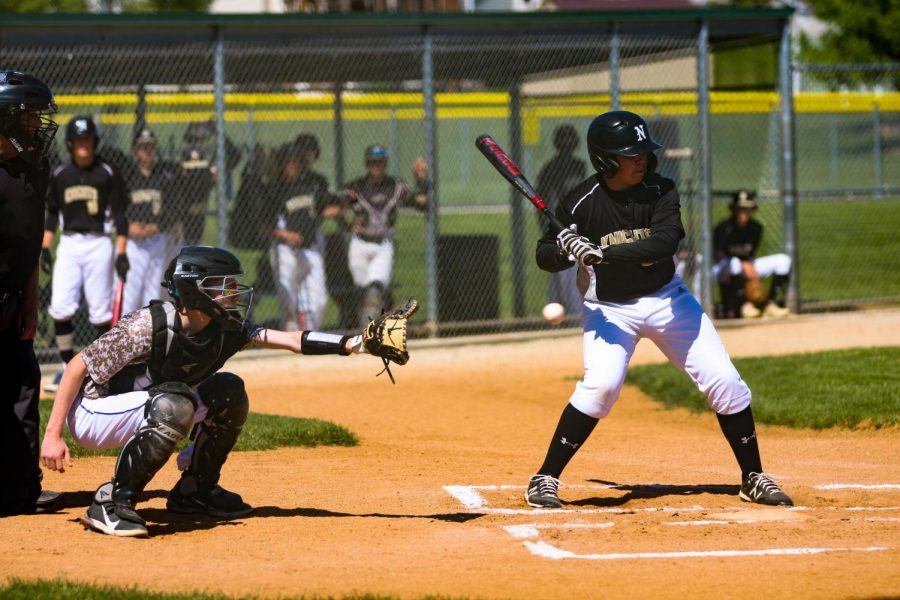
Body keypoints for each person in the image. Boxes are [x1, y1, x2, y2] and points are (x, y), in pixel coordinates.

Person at [39, 245, 415, 537]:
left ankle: (194, 490)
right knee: (174, 404)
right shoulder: (149, 325)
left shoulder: (226, 328)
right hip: (92, 411)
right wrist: (53, 435)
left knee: (229, 392)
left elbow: (290, 339)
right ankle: (111, 503)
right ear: (197, 290)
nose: (234, 294)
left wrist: (354, 344)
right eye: (224, 287)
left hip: (153, 404)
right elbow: (77, 367)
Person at [524, 110, 793, 510]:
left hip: (668, 299)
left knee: (726, 381)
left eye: (644, 152)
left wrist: (602, 252)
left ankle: (753, 476)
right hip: (609, 310)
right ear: (605, 160)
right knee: (601, 388)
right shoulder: (580, 200)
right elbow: (544, 254)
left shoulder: (661, 189)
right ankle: (544, 478)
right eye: (631, 155)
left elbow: (664, 243)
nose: (642, 160)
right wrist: (566, 248)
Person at [0, 69, 62, 515]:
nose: (37, 126)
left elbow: (29, 243)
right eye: (28, 118)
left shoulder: (32, 170)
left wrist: (32, 304)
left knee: (23, 384)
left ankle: (21, 489)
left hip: (12, 301)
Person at [41, 115, 129, 392]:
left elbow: (120, 215)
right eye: (79, 140)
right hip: (69, 244)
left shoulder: (107, 172)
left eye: (88, 139)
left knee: (101, 311)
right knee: (60, 306)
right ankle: (69, 367)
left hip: (99, 243)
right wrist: (45, 247)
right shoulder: (60, 174)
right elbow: (52, 214)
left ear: (95, 142)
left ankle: (102, 369)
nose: (84, 145)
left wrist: (122, 252)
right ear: (70, 144)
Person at [339, 145, 428, 328]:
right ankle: (365, 326)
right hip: (359, 245)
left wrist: (421, 180)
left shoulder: (395, 186)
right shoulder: (356, 187)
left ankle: (369, 334)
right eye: (372, 162)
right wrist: (347, 226)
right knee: (362, 291)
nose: (376, 166)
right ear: (366, 163)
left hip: (383, 244)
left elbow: (421, 203)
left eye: (379, 162)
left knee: (374, 291)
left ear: (386, 163)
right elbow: (333, 208)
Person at [268, 135, 340, 331]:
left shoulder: (313, 183)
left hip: (310, 247)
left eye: (297, 161)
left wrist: (343, 209)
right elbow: (264, 225)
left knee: (319, 301)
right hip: (284, 249)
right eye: (290, 161)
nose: (294, 165)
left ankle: (309, 335)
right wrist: (286, 235)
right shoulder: (275, 189)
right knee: (288, 297)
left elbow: (321, 209)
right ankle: (293, 337)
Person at [121, 128, 179, 316]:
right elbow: (117, 206)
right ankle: (127, 339)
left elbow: (174, 209)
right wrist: (128, 226)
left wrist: (158, 227)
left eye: (150, 146)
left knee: (153, 293)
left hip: (157, 239)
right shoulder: (128, 177)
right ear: (136, 150)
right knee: (130, 293)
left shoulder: (165, 177)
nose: (147, 150)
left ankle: (149, 338)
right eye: (142, 147)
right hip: (133, 241)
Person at [713, 190, 791, 319]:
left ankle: (769, 304)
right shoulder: (723, 228)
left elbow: (751, 253)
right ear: (734, 210)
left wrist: (749, 268)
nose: (744, 212)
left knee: (784, 260)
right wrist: (744, 265)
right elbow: (719, 257)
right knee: (735, 264)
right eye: (741, 209)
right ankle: (743, 305)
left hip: (747, 265)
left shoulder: (756, 228)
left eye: (747, 209)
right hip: (721, 268)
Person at [536, 124, 587, 316]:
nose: (567, 143)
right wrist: (548, 229)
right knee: (558, 273)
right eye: (563, 139)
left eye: (570, 139)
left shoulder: (579, 166)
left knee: (575, 272)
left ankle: (575, 317)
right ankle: (563, 315)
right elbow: (543, 203)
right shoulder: (549, 168)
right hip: (557, 227)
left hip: (576, 226)